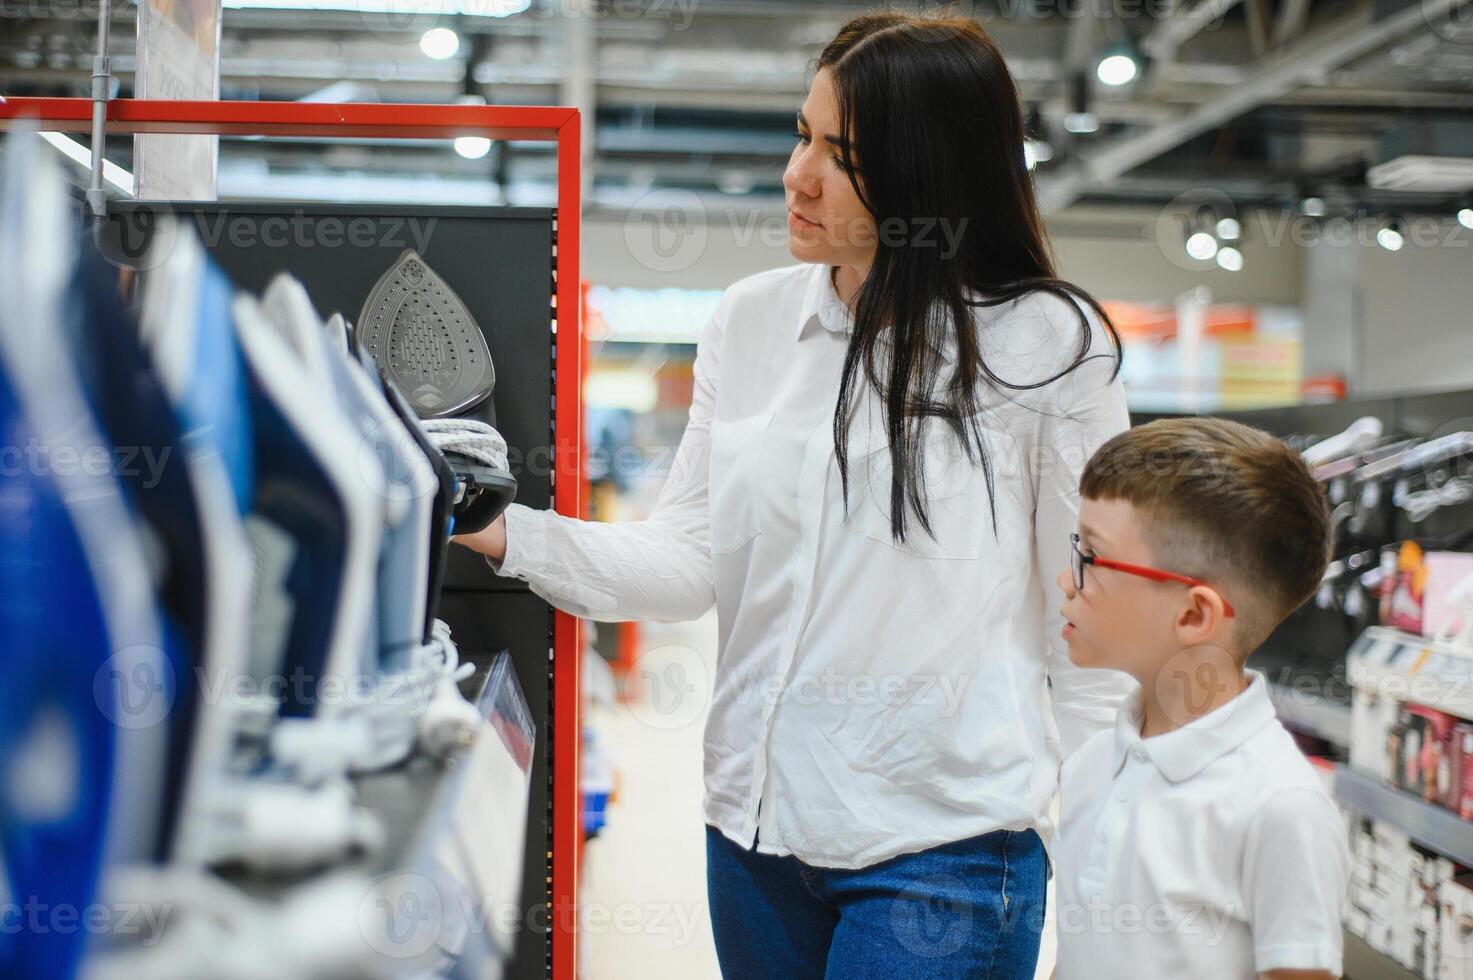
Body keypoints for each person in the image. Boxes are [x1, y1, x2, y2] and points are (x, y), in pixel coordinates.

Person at [456, 11, 1134, 976]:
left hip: (941, 855)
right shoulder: (753, 320)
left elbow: (1093, 626)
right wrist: (490, 526)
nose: (797, 174)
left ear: (930, 173)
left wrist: (1104, 879)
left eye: (842, 153)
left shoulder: (1048, 348)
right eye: (801, 133)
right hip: (750, 840)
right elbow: (688, 558)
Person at [1052, 417, 1348, 980]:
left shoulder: (1279, 807)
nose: (1066, 581)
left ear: (1192, 614)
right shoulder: (1093, 764)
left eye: (1090, 558)